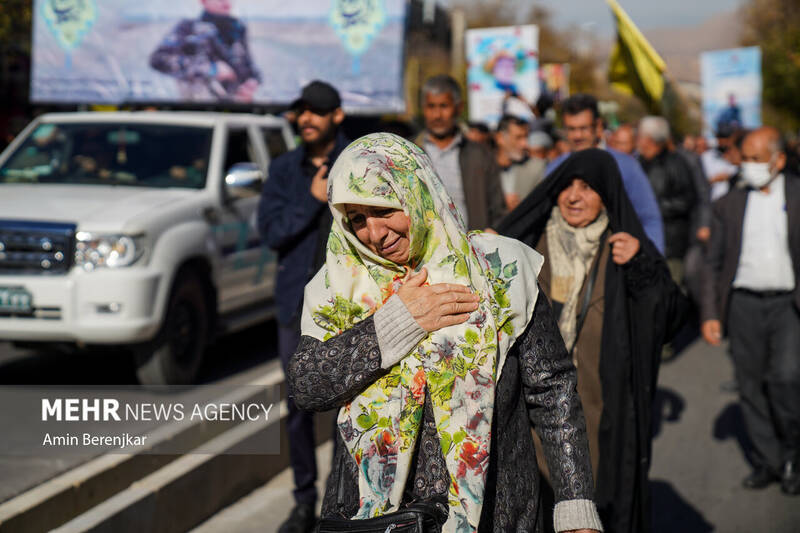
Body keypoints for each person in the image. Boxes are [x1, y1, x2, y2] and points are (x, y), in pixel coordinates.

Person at [288, 133, 603, 533]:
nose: (375, 234)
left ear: (416, 193)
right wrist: (395, 323)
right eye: (357, 220)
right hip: (375, 521)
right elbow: (307, 387)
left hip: (497, 512)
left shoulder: (498, 269)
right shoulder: (338, 288)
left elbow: (553, 390)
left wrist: (575, 506)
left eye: (384, 210)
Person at [498, 149, 687, 533]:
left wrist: (643, 268)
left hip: (602, 419)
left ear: (606, 194)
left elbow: (671, 319)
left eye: (587, 187)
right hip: (535, 418)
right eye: (566, 186)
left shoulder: (624, 249)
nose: (573, 196)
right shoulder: (527, 248)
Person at [257, 80, 350, 533]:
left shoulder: (358, 160)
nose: (307, 119)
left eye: (317, 111)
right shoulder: (282, 170)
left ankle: (339, 502)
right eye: (302, 112)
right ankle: (303, 501)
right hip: (296, 305)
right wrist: (310, 200)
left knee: (348, 408)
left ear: (337, 115)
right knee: (297, 407)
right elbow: (271, 232)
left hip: (351, 303)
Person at [700, 126, 800, 496]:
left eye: (758, 159)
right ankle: (770, 461)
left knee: (787, 378)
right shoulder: (729, 202)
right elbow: (713, 262)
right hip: (743, 305)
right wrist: (710, 313)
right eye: (747, 158)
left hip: (788, 304)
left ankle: (792, 453)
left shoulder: (796, 194)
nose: (750, 166)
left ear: (779, 160)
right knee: (750, 384)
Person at [546, 94, 665, 254]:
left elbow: (649, 218)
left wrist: (652, 262)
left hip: (613, 262)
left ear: (598, 127)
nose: (577, 136)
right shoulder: (555, 168)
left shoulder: (625, 166)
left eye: (583, 128)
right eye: (571, 129)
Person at [415, 74, 506, 231]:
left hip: (472, 248)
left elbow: (497, 209)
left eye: (444, 106)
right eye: (431, 107)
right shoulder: (409, 154)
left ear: (459, 108)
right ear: (424, 109)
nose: (437, 115)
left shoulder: (480, 154)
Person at [150, 0, 260, 102]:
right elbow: (158, 60)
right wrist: (211, 69)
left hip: (237, 107)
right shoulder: (188, 27)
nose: (225, 1)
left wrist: (252, 82)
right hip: (200, 108)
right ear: (203, 1)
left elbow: (249, 66)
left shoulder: (238, 28)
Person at [635, 116, 698, 287]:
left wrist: (653, 209)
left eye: (639, 136)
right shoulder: (637, 163)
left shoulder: (676, 164)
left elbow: (687, 200)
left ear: (649, 139)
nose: (637, 140)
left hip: (670, 244)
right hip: (642, 244)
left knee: (670, 291)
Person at [494, 115, 545, 211]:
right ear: (500, 138)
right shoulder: (484, 167)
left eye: (526, 137)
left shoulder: (536, 167)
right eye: (518, 138)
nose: (525, 144)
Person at [701, 124, 739, 201]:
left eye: (726, 138)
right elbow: (700, 182)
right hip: (714, 200)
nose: (723, 142)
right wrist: (713, 180)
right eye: (721, 138)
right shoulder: (706, 157)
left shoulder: (737, 156)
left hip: (734, 201)